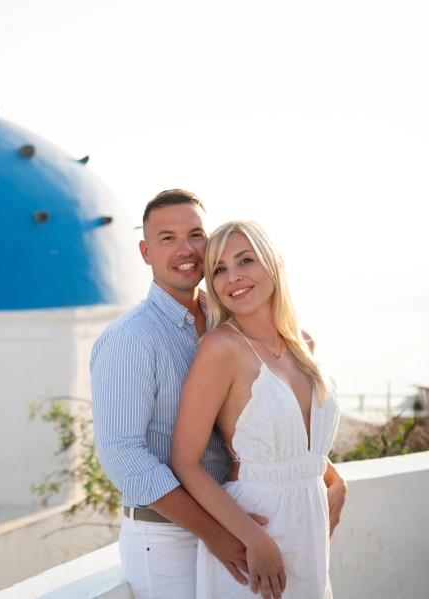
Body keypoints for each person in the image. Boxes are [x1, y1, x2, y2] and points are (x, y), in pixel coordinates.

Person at [92, 190, 347, 598]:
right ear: (145, 252)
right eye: (167, 238)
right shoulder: (131, 338)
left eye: (195, 234)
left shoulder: (228, 315)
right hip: (169, 537)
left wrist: (323, 471)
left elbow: (256, 420)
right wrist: (217, 534)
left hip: (242, 521)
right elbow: (123, 455)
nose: (186, 249)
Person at [170, 220, 344, 599]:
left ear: (272, 262)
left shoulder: (304, 345)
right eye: (219, 269)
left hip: (309, 531)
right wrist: (254, 539)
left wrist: (333, 477)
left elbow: (293, 439)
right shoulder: (221, 348)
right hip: (254, 532)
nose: (233, 277)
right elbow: (185, 462)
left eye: (245, 260)